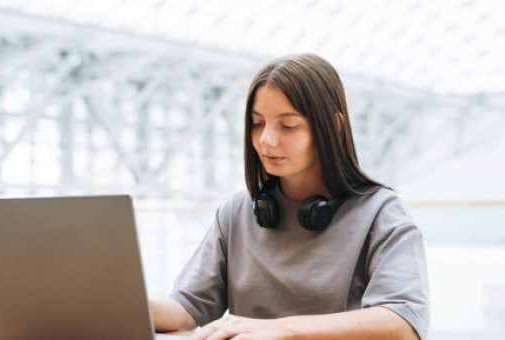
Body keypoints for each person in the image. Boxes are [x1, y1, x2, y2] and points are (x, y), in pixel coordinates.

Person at [151, 53, 429, 340]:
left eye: (288, 126)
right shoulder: (237, 212)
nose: (266, 140)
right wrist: (126, 305)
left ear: (333, 127)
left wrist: (280, 330)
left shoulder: (380, 213)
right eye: (258, 123)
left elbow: (403, 324)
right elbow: (186, 308)